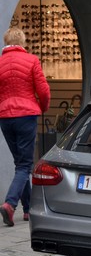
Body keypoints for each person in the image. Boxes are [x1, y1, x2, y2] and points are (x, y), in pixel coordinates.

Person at [0, 27, 50, 226]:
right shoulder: (31, 60)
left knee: (21, 163)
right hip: (27, 115)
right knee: (24, 165)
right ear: (22, 42)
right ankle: (10, 204)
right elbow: (43, 90)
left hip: (5, 117)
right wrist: (42, 107)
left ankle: (28, 209)